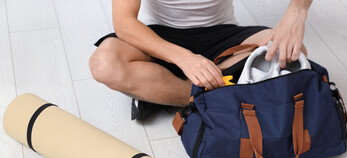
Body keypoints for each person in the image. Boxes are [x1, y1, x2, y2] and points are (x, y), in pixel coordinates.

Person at [89, 0, 312, 120]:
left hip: (224, 36)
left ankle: (159, 94)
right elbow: (124, 22)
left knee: (293, 52)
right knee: (104, 64)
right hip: (161, 38)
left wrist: (297, 11)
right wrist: (183, 58)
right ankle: (217, 94)